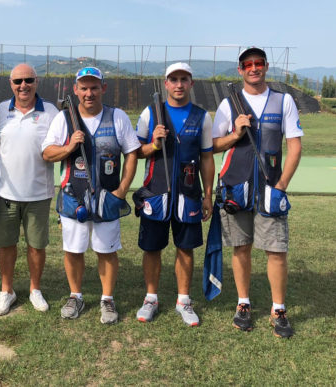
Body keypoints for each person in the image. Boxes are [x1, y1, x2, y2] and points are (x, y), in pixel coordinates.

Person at [212, 47, 303, 338]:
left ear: (265, 67)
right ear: (240, 70)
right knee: (241, 247)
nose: (254, 68)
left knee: (276, 249)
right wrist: (236, 133)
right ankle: (244, 304)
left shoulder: (283, 100)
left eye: (259, 63)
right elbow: (214, 145)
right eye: (248, 64)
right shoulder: (230, 104)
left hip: (270, 189)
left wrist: (282, 184)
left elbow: (295, 145)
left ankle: (278, 309)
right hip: (236, 187)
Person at [42, 66, 139, 324]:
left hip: (108, 199)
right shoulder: (65, 119)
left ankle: (107, 299)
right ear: (75, 90)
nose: (89, 93)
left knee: (106, 251)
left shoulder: (117, 117)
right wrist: (69, 146)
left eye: (94, 87)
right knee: (73, 250)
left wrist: (122, 190)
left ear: (103, 89)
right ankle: (75, 295)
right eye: (83, 88)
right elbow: (47, 153)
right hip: (74, 198)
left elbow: (132, 153)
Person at [133, 62, 215, 327]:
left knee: (186, 248)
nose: (179, 84)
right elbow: (136, 151)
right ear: (166, 84)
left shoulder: (203, 116)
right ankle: (151, 298)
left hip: (189, 194)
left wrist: (208, 194)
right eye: (174, 79)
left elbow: (206, 158)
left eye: (184, 79)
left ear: (191, 83)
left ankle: (183, 300)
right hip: (156, 194)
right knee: (152, 248)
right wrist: (153, 143)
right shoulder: (150, 113)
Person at [0, 64, 59, 316]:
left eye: (28, 80)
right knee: (6, 245)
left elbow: (59, 147)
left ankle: (34, 289)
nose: (23, 85)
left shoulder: (51, 111)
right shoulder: (1, 110)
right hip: (6, 194)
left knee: (36, 246)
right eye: (18, 81)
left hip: (39, 195)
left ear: (36, 81)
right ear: (11, 83)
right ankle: (6, 291)